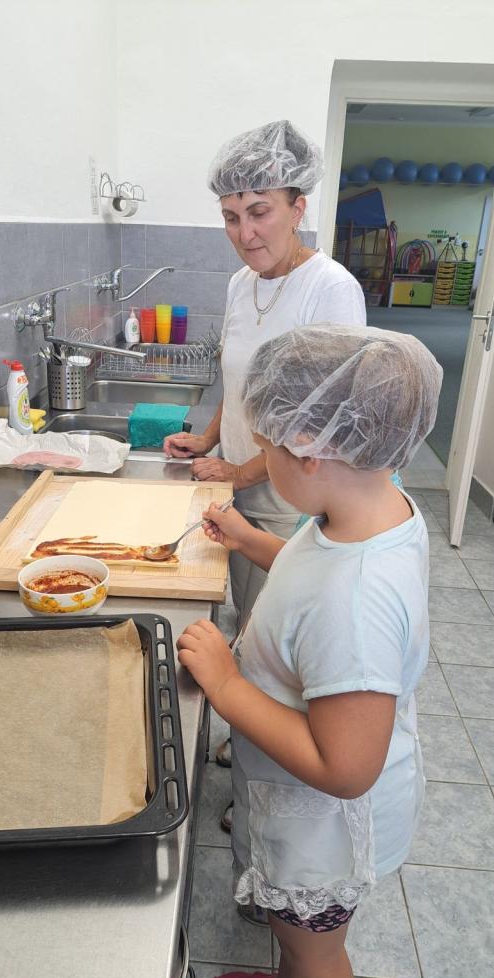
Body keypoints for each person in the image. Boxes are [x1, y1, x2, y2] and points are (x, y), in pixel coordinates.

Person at [177, 324, 442, 978]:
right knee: (299, 942)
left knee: (315, 953)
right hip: (303, 802)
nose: (261, 459)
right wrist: (251, 540)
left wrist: (227, 686)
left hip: (326, 823)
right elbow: (311, 571)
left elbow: (345, 767)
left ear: (312, 450)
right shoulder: (366, 510)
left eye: (266, 446)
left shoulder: (354, 601)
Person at [164, 120, 367, 831]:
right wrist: (209, 438)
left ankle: (262, 793)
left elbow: (317, 421)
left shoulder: (330, 290)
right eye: (230, 216)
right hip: (237, 484)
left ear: (297, 206)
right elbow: (240, 378)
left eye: (259, 212)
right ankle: (245, 741)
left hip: (288, 496)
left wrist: (242, 467)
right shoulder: (240, 283)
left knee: (274, 646)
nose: (244, 233)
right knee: (246, 634)